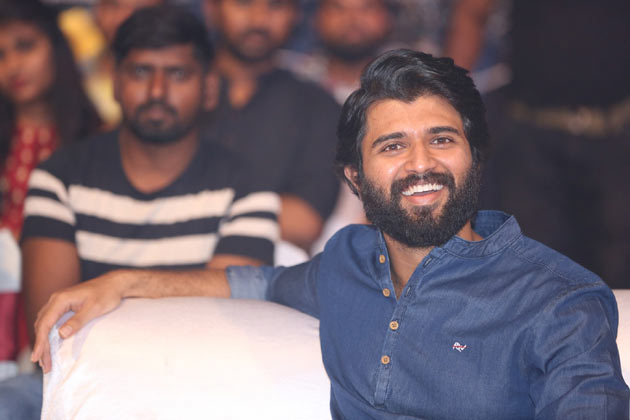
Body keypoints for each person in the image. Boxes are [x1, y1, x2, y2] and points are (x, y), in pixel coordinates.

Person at [32, 49, 629, 418]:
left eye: (442, 139)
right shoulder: (347, 263)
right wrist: (121, 283)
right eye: (392, 146)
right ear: (355, 178)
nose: (422, 164)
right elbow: (255, 283)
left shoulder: (559, 301)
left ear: (475, 155)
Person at [0, 6, 278, 419]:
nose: (157, 91)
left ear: (208, 88)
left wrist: (119, 286)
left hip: (196, 383)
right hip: (72, 380)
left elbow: (227, 313)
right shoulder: (59, 177)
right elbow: (54, 326)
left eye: (178, 74)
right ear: (114, 82)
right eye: (141, 71)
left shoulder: (246, 187)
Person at [444, 0, 630, 289]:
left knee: (620, 272)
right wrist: (446, 106)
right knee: (533, 276)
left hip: (617, 137)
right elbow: (472, 14)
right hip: (531, 142)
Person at [0, 0, 102, 382]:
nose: (13, 65)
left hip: (70, 317)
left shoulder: (100, 142)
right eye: (0, 55)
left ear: (56, 49)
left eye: (25, 46)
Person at [201, 0, 341, 252]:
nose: (259, 19)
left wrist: (185, 212)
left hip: (270, 265)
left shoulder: (317, 105)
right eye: (243, 3)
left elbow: (303, 223)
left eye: (276, 6)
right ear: (211, 9)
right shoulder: (172, 93)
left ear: (296, 15)